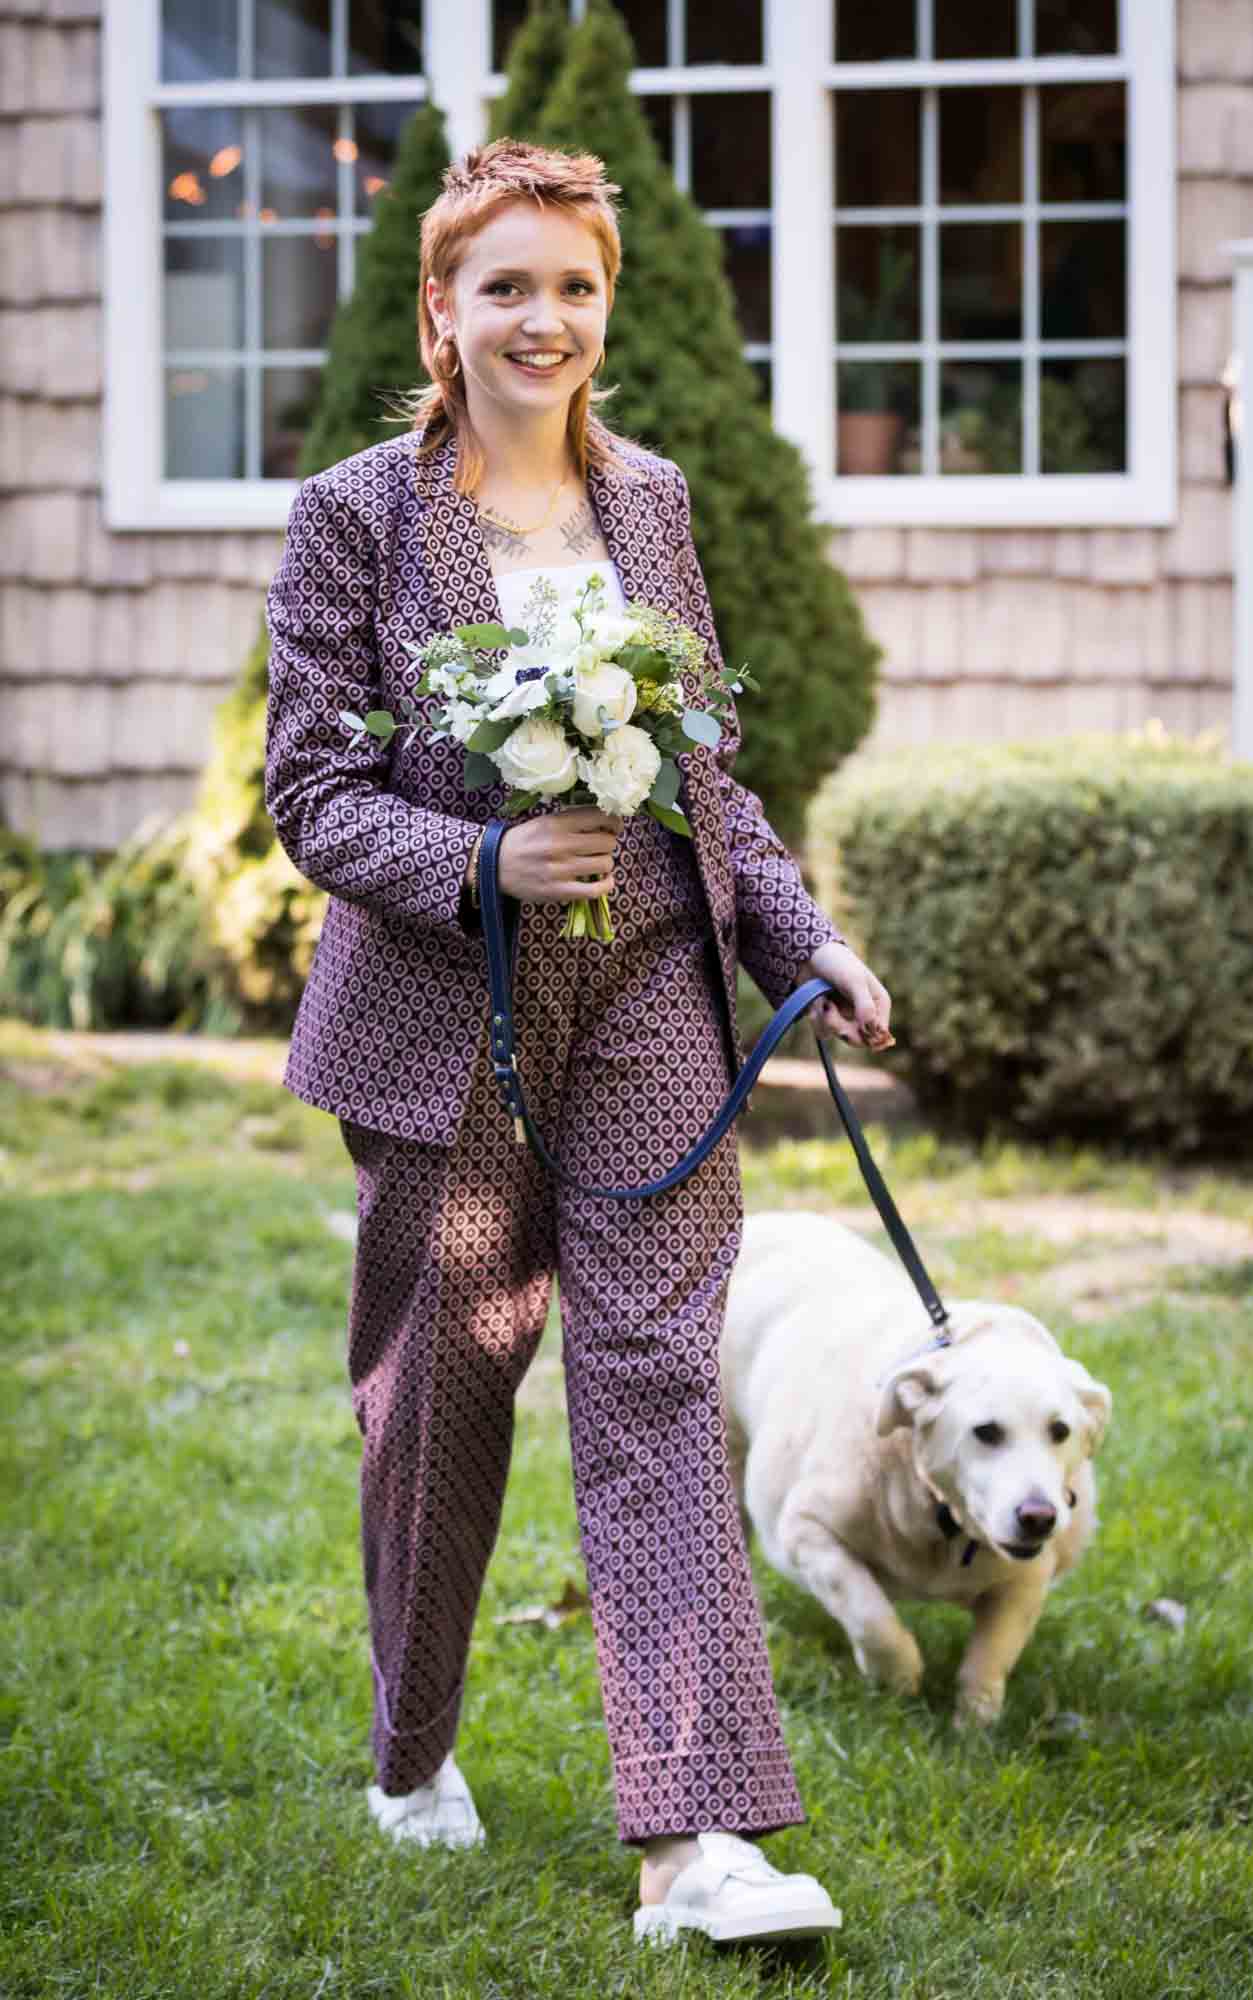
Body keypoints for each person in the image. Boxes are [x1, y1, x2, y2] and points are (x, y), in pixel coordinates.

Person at [264, 138, 894, 1947]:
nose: (543, 318)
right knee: (443, 1401)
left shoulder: (656, 500)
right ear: (441, 311)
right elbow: (308, 790)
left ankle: (697, 1848)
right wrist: (478, 857)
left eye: (574, 287)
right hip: (439, 1013)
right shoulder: (359, 513)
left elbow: (697, 771)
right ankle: (409, 1746)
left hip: (643, 998)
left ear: (605, 310)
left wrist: (804, 934)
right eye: (507, 285)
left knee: (648, 1385)